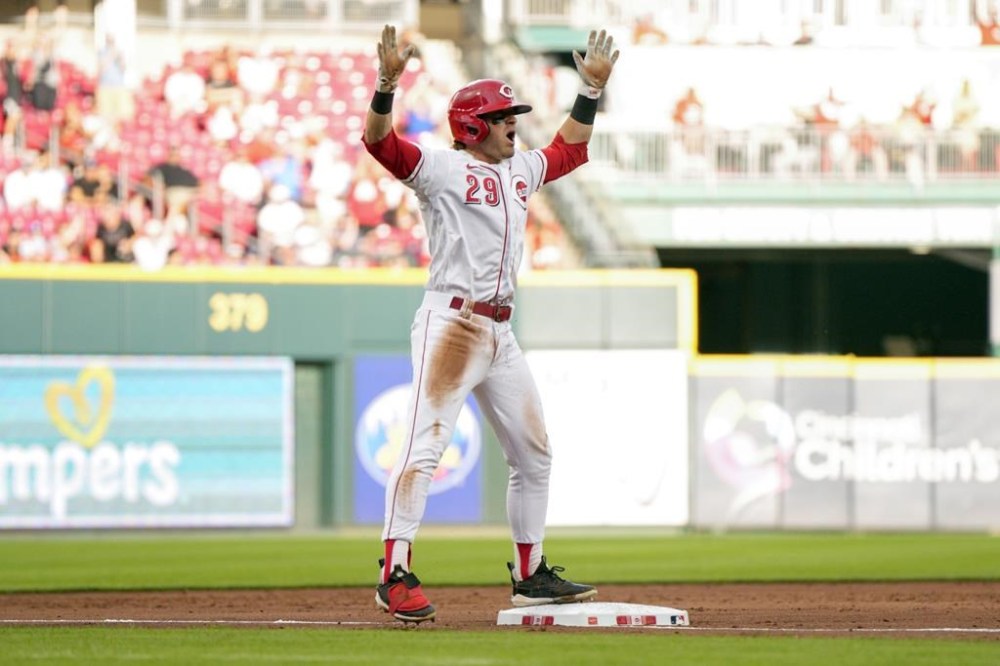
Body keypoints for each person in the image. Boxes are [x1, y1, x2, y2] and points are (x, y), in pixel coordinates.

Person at [362, 24, 618, 624]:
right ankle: (393, 573)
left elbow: (571, 149)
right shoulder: (441, 170)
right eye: (504, 116)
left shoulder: (520, 169)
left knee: (535, 454)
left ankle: (530, 575)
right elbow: (379, 144)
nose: (513, 124)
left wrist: (589, 91)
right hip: (451, 322)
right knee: (424, 446)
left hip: (500, 331)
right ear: (473, 125)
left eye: (514, 115)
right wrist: (386, 83)